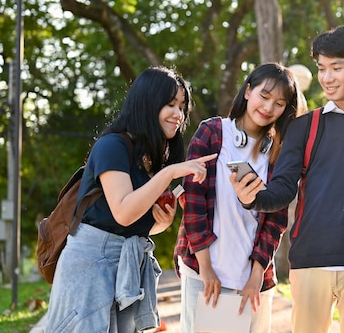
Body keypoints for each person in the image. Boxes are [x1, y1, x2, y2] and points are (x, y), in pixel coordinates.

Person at [231, 24, 344, 333]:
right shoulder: (304, 127)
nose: (327, 77)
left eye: (336, 67)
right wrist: (253, 197)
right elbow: (283, 189)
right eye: (322, 68)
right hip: (309, 260)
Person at [44, 66, 216, 333]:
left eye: (181, 107)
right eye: (170, 104)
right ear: (147, 103)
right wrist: (171, 172)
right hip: (91, 263)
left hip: (127, 261)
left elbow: (136, 226)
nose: (178, 115)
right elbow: (123, 212)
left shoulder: (154, 156)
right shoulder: (112, 146)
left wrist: (163, 222)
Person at [173, 62, 300, 333]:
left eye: (279, 104)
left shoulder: (280, 151)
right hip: (204, 268)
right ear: (248, 91)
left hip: (253, 279)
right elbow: (193, 203)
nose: (268, 108)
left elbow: (276, 220)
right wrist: (206, 269)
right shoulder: (214, 132)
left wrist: (256, 277)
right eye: (264, 97)